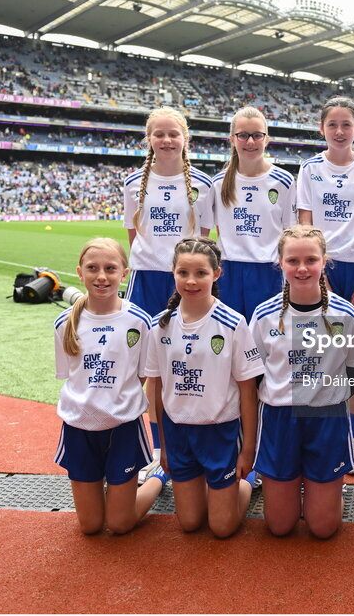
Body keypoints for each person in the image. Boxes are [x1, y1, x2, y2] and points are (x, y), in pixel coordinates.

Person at [249, 225, 354, 538]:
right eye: (293, 261)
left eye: (311, 260)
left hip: (326, 419)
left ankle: (326, 489)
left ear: (324, 261)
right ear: (280, 263)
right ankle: (298, 484)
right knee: (280, 526)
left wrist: (335, 404)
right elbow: (251, 377)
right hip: (279, 419)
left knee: (323, 528)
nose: (302, 268)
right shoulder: (263, 316)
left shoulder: (346, 315)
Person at [143, 238, 264, 538]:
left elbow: (249, 391)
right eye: (183, 272)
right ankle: (212, 487)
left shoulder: (233, 323)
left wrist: (248, 450)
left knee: (222, 528)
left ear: (217, 274)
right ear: (172, 272)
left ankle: (249, 482)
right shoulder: (160, 325)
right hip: (178, 433)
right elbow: (157, 390)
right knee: (190, 523)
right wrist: (163, 447)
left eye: (200, 273)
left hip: (220, 432)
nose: (191, 281)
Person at [296, 96, 354, 474]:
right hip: (319, 270)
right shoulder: (310, 169)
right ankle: (313, 432)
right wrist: (320, 274)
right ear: (322, 129)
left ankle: (352, 437)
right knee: (315, 354)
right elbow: (305, 224)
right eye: (332, 124)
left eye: (346, 124)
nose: (339, 131)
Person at [53, 238, 168, 535]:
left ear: (125, 273)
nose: (101, 276)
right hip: (80, 430)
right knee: (90, 526)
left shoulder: (139, 320)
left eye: (110, 268)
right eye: (92, 268)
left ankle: (157, 477)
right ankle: (110, 492)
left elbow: (143, 376)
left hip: (123, 427)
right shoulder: (65, 323)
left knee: (119, 524)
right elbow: (70, 375)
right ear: (80, 273)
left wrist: (118, 399)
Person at [124, 107, 213, 469]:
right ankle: (157, 451)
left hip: (186, 282)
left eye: (173, 134)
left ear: (185, 138)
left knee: (191, 361)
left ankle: (193, 440)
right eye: (158, 134)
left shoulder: (202, 185)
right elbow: (133, 237)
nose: (166, 140)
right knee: (143, 369)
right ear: (149, 140)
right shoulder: (133, 183)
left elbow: (203, 242)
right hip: (147, 279)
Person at [211, 106, 297, 321]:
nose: (250, 142)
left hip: (270, 272)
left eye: (257, 135)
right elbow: (217, 229)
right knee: (231, 339)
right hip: (228, 271)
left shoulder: (284, 181)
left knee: (268, 340)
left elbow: (290, 232)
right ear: (232, 139)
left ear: (266, 139)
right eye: (243, 135)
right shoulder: (218, 183)